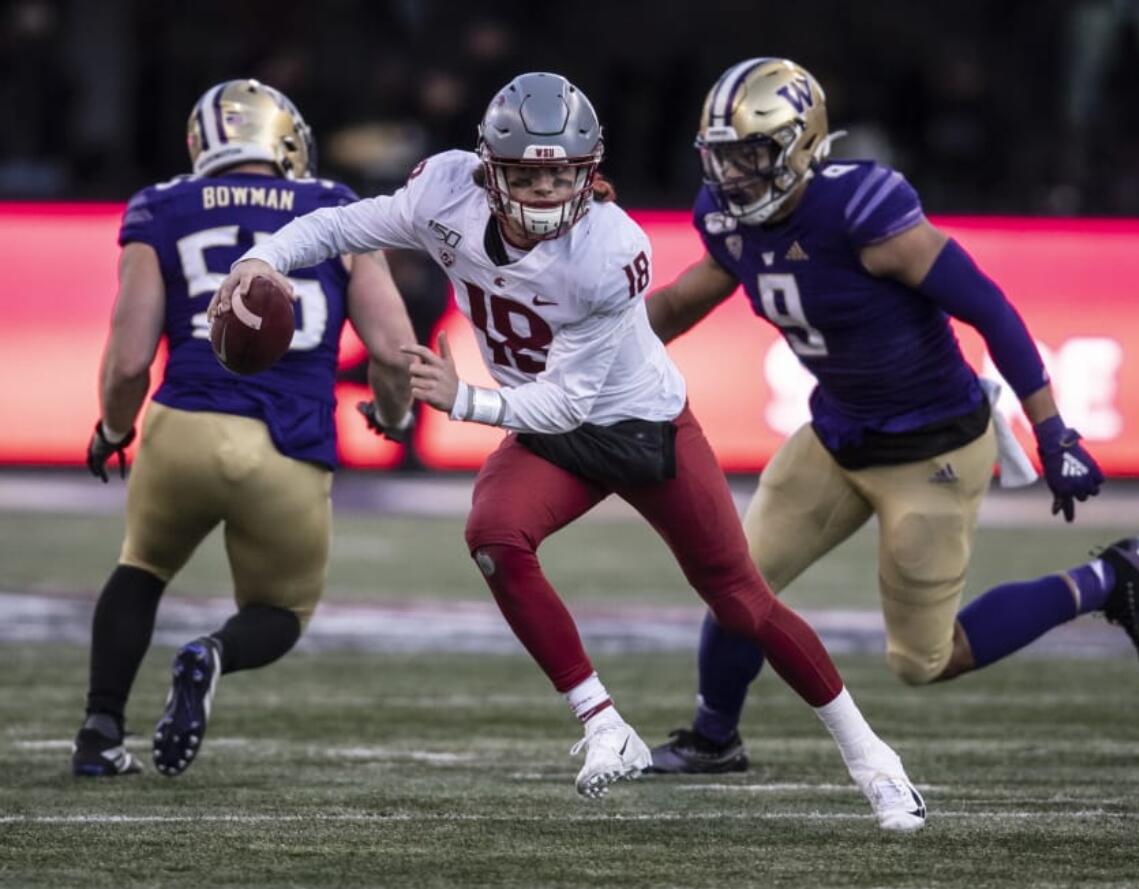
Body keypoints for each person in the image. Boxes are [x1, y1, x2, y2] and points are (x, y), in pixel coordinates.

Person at [212, 72, 927, 831]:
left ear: (588, 170)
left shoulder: (609, 249)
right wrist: (263, 261)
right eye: (529, 173)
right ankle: (603, 723)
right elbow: (344, 226)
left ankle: (875, 761)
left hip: (638, 424)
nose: (549, 189)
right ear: (490, 169)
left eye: (562, 172)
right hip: (546, 427)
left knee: (740, 599)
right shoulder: (444, 193)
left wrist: (464, 401)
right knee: (494, 534)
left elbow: (571, 402)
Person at [642, 58, 1139, 775]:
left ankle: (1113, 578)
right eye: (722, 158)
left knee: (925, 658)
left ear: (801, 146)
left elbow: (989, 308)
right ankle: (714, 737)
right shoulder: (730, 224)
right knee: (737, 583)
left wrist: (1054, 431)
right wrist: (581, 352)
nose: (732, 175)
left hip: (932, 451)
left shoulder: (863, 213)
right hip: (835, 435)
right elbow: (677, 304)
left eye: (750, 156)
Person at [73, 79, 416, 779]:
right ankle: (213, 652)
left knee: (140, 568)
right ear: (287, 139)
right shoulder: (333, 205)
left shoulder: (160, 205)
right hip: (289, 444)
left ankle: (100, 732)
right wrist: (393, 414)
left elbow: (130, 355)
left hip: (185, 425)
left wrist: (112, 429)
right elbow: (392, 348)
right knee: (280, 609)